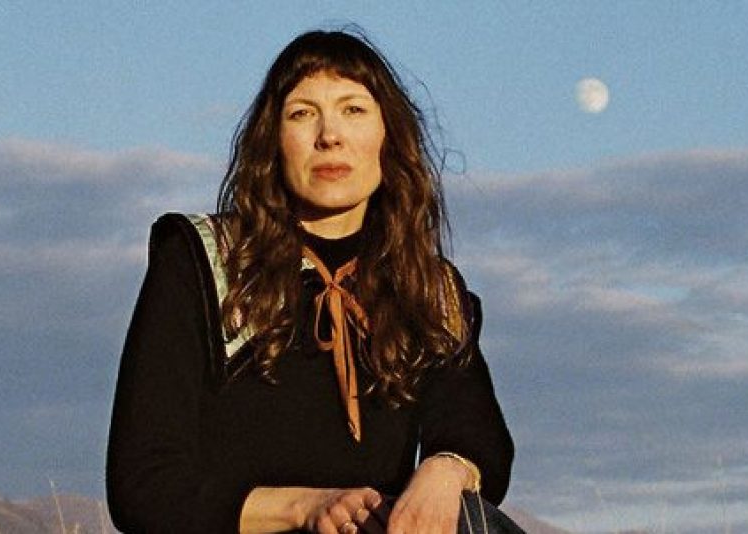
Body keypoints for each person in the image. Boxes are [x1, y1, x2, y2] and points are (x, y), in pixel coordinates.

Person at [106, 29, 516, 534]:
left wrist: (446, 470)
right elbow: (143, 485)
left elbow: (478, 436)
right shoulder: (201, 261)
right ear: (273, 141)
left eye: (353, 110)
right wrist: (306, 508)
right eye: (302, 113)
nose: (329, 135)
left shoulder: (428, 290)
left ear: (389, 137)